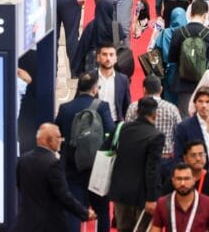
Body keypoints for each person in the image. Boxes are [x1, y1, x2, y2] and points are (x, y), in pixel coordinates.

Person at [55, 73, 115, 232]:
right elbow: (111, 131)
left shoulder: (65, 108)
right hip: (97, 167)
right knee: (102, 210)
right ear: (95, 89)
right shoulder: (102, 106)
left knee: (74, 209)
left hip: (72, 165)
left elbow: (57, 131)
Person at [14, 123, 95, 232]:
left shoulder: (23, 159)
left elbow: (20, 187)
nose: (61, 140)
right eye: (58, 137)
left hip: (26, 223)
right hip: (49, 225)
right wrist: (84, 213)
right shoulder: (53, 163)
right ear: (49, 140)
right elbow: (64, 196)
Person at [109, 97, 165, 232]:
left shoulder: (121, 128)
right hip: (142, 196)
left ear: (136, 111)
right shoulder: (156, 136)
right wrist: (152, 198)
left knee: (123, 229)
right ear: (155, 114)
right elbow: (152, 169)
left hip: (120, 192)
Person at [172, 87, 209, 193]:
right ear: (195, 104)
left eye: (208, 102)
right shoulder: (184, 127)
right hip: (195, 182)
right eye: (200, 101)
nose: (204, 105)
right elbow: (178, 156)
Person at [168, 0, 209, 117]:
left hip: (183, 82)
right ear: (205, 15)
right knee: (204, 116)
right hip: (204, 83)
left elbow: (172, 58)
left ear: (190, 13)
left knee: (185, 117)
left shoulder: (178, 33)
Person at [127, 75, 182, 166]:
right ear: (161, 89)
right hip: (165, 158)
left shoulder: (133, 107)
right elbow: (179, 133)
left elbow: (128, 133)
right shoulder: (172, 108)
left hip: (141, 157)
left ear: (144, 89)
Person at [149, 163, 209, 232]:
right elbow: (155, 228)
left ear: (193, 180)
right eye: (179, 179)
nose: (182, 183)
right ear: (173, 181)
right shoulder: (162, 203)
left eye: (187, 179)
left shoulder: (208, 203)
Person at [96, 44, 132, 122]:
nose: (108, 58)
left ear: (116, 58)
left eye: (111, 55)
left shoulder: (123, 80)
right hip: (94, 124)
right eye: (104, 54)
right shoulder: (90, 77)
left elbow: (127, 106)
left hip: (115, 123)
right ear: (98, 57)